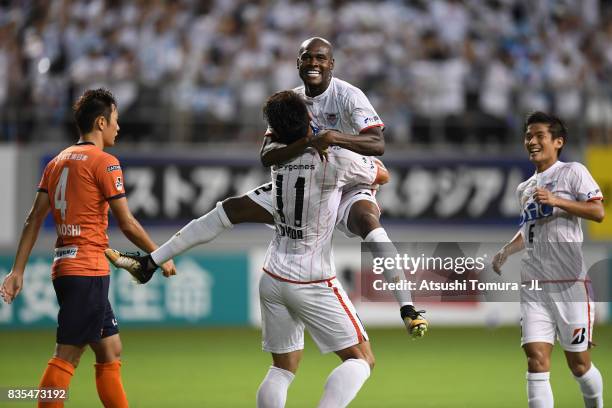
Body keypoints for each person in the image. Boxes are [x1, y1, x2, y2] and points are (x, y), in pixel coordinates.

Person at [105, 37, 427, 334]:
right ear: (297, 63)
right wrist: (308, 144)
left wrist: (333, 139)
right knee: (228, 209)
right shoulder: (290, 103)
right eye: (306, 57)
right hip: (305, 182)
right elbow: (267, 155)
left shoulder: (349, 96)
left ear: (331, 64)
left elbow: (377, 144)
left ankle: (408, 307)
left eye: (320, 58)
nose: (313, 62)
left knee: (369, 223)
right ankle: (149, 263)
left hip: (349, 179)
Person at [0, 89, 176, 408]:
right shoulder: (105, 163)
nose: (118, 128)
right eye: (115, 121)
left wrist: (18, 270)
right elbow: (127, 223)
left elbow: (33, 219)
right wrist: (159, 254)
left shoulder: (57, 162)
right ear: (100, 121)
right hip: (88, 271)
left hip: (65, 269)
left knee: (110, 349)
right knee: (66, 356)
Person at [258, 90, 387, 407]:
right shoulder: (335, 158)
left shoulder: (278, 161)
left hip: (272, 272)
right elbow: (382, 172)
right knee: (361, 359)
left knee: (281, 369)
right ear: (309, 119)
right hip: (311, 276)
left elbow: (267, 154)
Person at [492, 111, 604, 408]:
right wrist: (507, 249)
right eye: (528, 135)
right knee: (536, 360)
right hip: (534, 284)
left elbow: (598, 212)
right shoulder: (524, 188)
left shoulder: (573, 172)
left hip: (570, 283)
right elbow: (528, 229)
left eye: (540, 135)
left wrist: (557, 200)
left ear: (558, 142)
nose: (532, 141)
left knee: (579, 365)